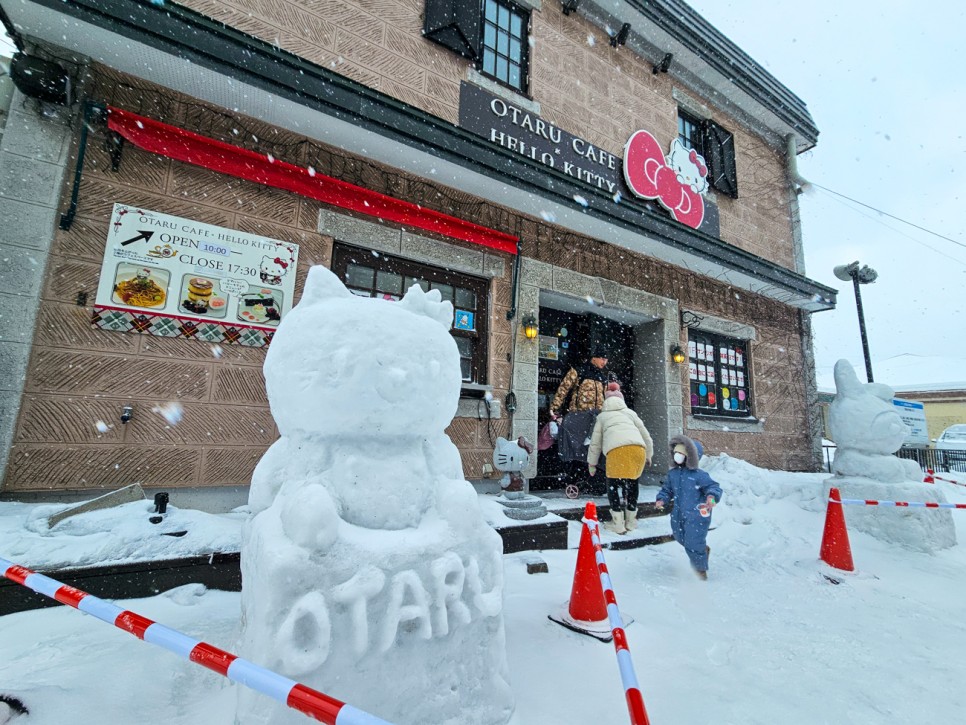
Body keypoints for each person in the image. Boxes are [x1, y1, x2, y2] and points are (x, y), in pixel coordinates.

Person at [587, 382, 653, 535]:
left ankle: (617, 523)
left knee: (612, 483)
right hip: (638, 448)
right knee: (632, 482)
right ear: (622, 400)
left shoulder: (602, 416)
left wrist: (592, 464)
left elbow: (595, 443)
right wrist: (648, 454)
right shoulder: (630, 413)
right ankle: (631, 520)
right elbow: (646, 436)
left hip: (616, 450)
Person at [655, 435, 722, 580]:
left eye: (681, 454)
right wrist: (662, 499)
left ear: (689, 456)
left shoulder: (699, 475)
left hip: (697, 516)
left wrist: (711, 497)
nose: (677, 456)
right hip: (678, 515)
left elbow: (713, 487)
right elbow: (667, 490)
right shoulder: (672, 474)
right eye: (676, 453)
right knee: (680, 537)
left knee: (693, 542)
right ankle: (702, 550)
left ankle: (700, 571)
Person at [549, 349, 612, 492]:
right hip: (579, 417)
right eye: (602, 358)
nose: (604, 362)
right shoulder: (579, 371)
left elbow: (609, 399)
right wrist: (555, 409)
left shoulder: (603, 377)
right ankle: (574, 481)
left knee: (595, 450)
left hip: (597, 419)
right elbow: (563, 389)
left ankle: (595, 484)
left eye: (606, 359)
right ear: (594, 358)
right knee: (577, 449)